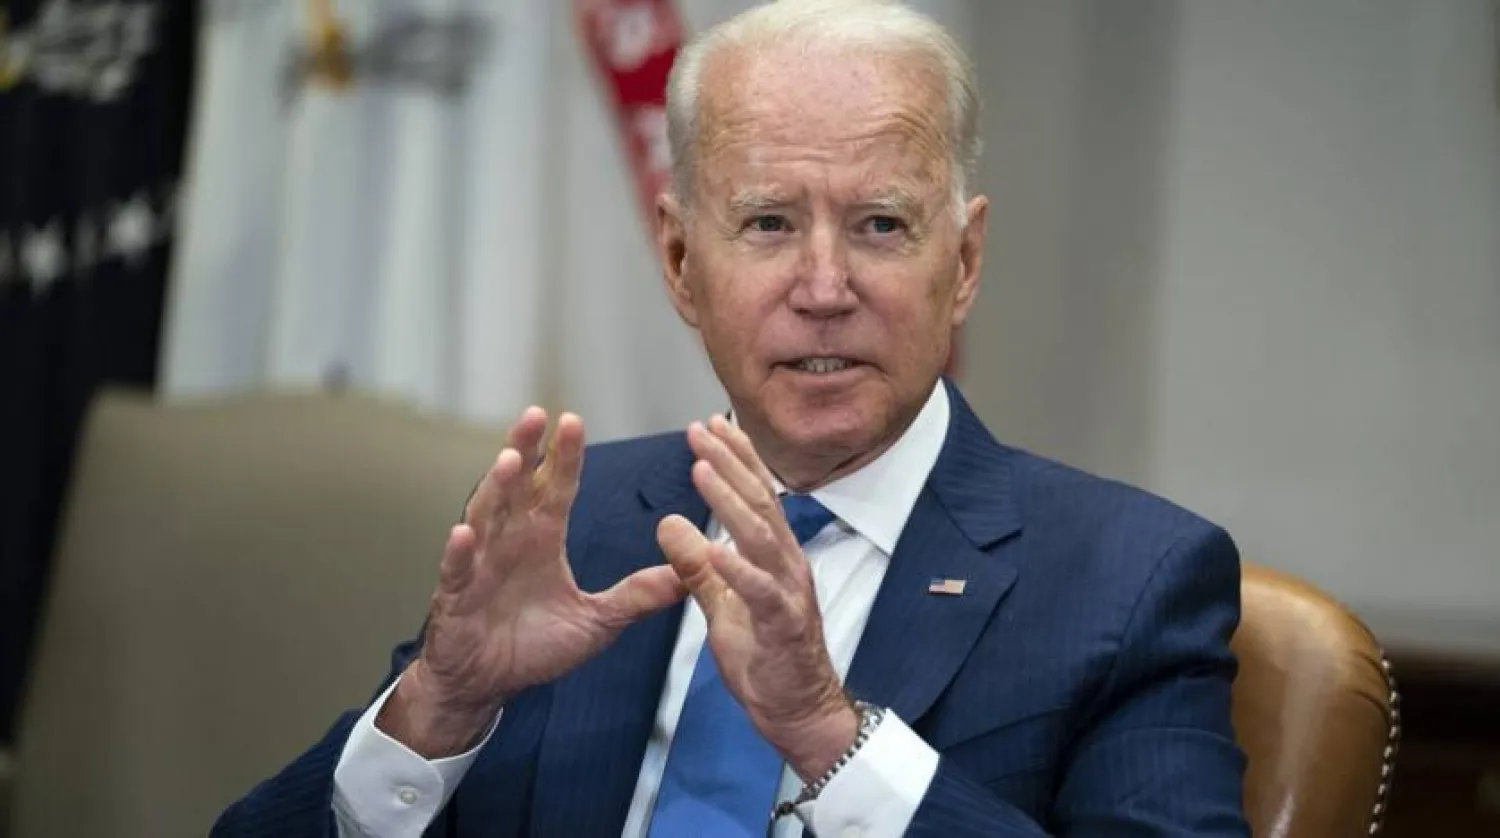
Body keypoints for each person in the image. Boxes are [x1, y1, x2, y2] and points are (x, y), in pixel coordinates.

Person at [213, 1, 1250, 836]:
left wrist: (832, 739)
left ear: (964, 261)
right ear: (679, 261)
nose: (825, 285)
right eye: (768, 223)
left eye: (882, 225)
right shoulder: (573, 522)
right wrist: (438, 709)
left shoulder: (1131, 579)